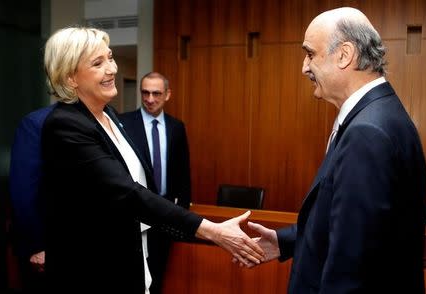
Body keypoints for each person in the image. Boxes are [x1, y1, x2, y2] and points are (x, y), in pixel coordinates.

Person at [40, 26, 264, 294]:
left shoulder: (109, 115)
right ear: (70, 77)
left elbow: (144, 183)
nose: (111, 69)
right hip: (92, 271)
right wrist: (210, 231)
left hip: (133, 254)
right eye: (98, 63)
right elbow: (126, 193)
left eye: (110, 57)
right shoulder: (65, 125)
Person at [245, 7, 426, 294]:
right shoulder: (379, 114)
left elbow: (352, 268)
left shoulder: (367, 134)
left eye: (310, 54)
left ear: (344, 55)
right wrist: (288, 241)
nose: (304, 67)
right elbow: (355, 226)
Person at [119, 72, 191, 293]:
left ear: (167, 94)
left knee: (158, 275)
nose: (150, 99)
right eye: (145, 93)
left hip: (166, 215)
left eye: (156, 93)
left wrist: (183, 212)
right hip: (135, 213)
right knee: (132, 276)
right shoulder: (123, 124)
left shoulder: (176, 127)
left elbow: (183, 173)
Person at [9, 104, 55, 293]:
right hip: (47, 246)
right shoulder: (37, 123)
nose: (110, 72)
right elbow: (23, 189)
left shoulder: (106, 117)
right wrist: (37, 246)